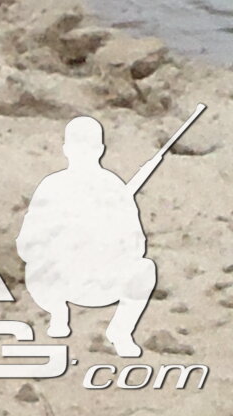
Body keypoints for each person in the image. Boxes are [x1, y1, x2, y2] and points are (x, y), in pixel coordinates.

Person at [18, 116, 159, 356]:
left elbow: (137, 246)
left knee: (144, 269)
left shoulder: (114, 189)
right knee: (38, 267)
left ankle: (120, 332)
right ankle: (58, 314)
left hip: (101, 280)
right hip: (59, 280)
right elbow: (27, 245)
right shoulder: (53, 186)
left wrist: (107, 239)